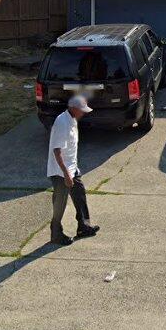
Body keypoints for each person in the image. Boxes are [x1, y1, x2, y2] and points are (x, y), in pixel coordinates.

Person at [48, 94, 100, 245]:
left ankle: (83, 226)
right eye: (81, 110)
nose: (83, 112)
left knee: (79, 194)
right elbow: (57, 151)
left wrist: (73, 170)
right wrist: (66, 174)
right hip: (60, 171)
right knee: (60, 203)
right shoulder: (62, 122)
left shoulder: (72, 120)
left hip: (72, 168)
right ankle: (56, 234)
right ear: (73, 108)